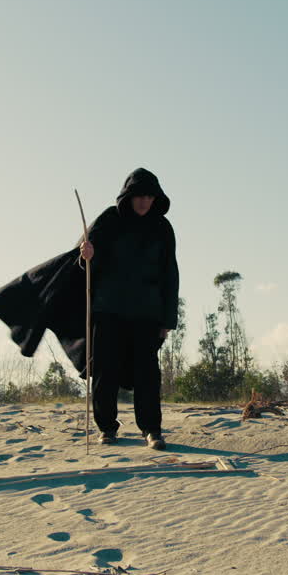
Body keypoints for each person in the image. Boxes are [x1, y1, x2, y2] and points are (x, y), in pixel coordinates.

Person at [79, 168, 179, 449]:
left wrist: (168, 319)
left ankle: (151, 430)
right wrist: (86, 256)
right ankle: (107, 428)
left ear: (156, 198)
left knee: (147, 373)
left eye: (149, 196)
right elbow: (88, 261)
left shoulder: (162, 228)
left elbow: (170, 273)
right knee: (105, 371)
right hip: (108, 309)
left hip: (147, 312)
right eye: (139, 196)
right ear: (128, 196)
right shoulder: (110, 219)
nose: (144, 202)